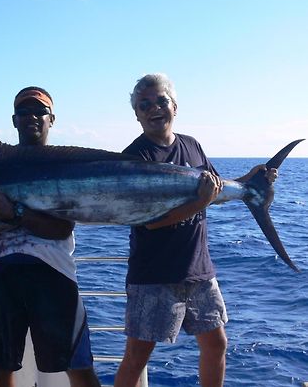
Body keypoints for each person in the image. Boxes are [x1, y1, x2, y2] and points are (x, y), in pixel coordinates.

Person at [114, 74, 277, 387]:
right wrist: (199, 202)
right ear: (137, 115)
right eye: (144, 105)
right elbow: (151, 220)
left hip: (199, 270)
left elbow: (212, 193)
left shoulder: (192, 145)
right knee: (137, 357)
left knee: (216, 344)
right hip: (155, 275)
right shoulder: (135, 157)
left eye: (161, 101)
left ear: (174, 106)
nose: (153, 109)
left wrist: (248, 182)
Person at [0, 86, 101, 387]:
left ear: (52, 118)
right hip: (2, 275)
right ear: (14, 120)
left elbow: (61, 229)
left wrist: (14, 214)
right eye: (24, 112)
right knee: (0, 371)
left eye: (39, 111)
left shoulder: (62, 165)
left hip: (54, 273)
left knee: (79, 369)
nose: (32, 117)